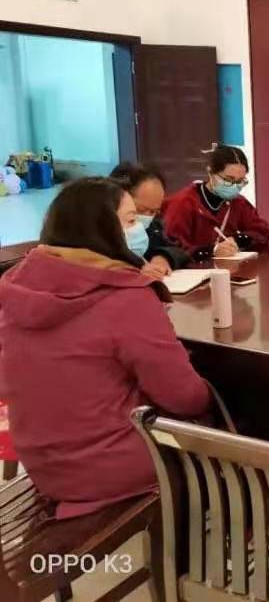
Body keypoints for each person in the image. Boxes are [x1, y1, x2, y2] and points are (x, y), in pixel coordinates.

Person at [0, 177, 211, 518]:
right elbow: (184, 398)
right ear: (102, 231)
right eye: (131, 220)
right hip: (114, 469)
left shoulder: (18, 287)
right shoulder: (125, 297)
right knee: (232, 425)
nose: (140, 229)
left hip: (43, 468)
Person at [162, 145, 269, 260]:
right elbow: (172, 246)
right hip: (191, 267)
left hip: (226, 266)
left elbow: (263, 231)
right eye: (228, 179)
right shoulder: (184, 202)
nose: (234, 186)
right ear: (210, 172)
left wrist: (238, 240)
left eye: (240, 181)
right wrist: (212, 250)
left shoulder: (238, 202)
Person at [110, 162, 190, 277]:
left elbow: (177, 250)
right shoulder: (94, 237)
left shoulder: (152, 226)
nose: (147, 218)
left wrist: (162, 257)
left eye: (154, 212)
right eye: (140, 210)